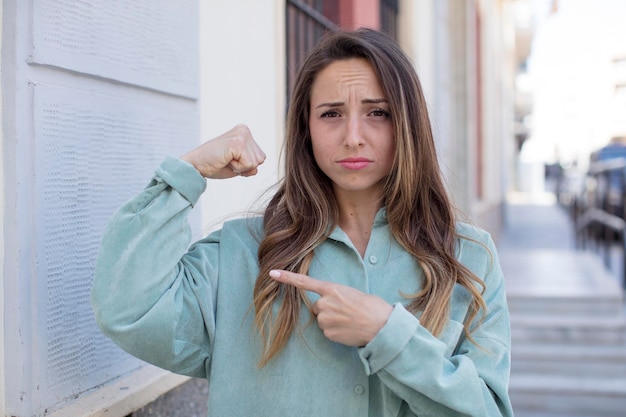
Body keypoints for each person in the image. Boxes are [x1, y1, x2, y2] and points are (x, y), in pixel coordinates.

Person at [92, 28, 513, 416]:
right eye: (331, 114)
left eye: (377, 112)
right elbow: (128, 310)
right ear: (305, 129)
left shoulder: (468, 259)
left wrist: (388, 334)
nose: (353, 135)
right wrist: (186, 173)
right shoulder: (241, 252)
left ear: (408, 124)